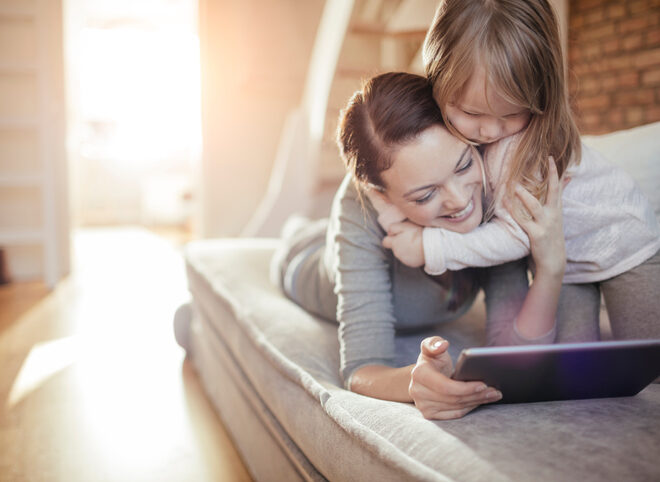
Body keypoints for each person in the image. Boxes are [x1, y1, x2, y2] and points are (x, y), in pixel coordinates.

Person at [272, 71, 566, 420]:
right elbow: (362, 368)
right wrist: (414, 382)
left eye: (463, 165)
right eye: (425, 194)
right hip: (306, 262)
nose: (460, 201)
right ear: (381, 196)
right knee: (297, 237)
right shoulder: (360, 205)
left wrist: (550, 270)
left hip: (348, 237)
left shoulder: (492, 178)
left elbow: (515, 350)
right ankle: (296, 230)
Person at [383, 0, 660, 342]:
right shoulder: (449, 143)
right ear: (437, 78)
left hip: (626, 246)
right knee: (576, 367)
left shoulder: (522, 149)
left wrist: (433, 247)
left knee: (650, 361)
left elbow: (516, 237)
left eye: (513, 113)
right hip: (568, 265)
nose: (490, 131)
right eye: (472, 112)